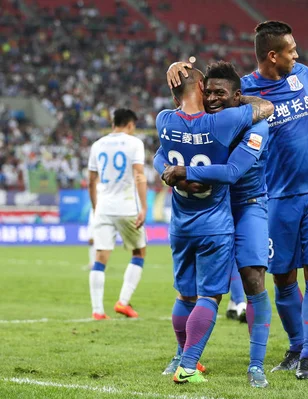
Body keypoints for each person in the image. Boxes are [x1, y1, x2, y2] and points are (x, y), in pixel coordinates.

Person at [167, 19, 308, 380]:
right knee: (283, 278)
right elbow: (204, 96)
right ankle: (296, 345)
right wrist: (178, 68)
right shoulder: (243, 90)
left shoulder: (299, 74)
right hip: (277, 194)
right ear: (272, 55)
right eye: (291, 50)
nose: (297, 55)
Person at [156, 61, 273, 388]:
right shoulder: (215, 121)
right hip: (214, 210)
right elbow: (160, 152)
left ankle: (256, 364)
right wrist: (167, 168)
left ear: (238, 95)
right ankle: (184, 357)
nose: (212, 98)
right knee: (201, 294)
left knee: (253, 281)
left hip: (246, 206)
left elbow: (233, 172)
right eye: (207, 92)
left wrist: (183, 173)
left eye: (220, 93)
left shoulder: (255, 127)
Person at [87, 108, 148, 320]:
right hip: (126, 207)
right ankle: (123, 302)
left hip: (103, 207)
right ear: (130, 124)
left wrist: (96, 208)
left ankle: (97, 310)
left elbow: (91, 181)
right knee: (139, 252)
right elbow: (139, 175)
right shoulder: (134, 143)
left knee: (100, 258)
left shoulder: (98, 145)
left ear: (114, 123)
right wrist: (144, 208)